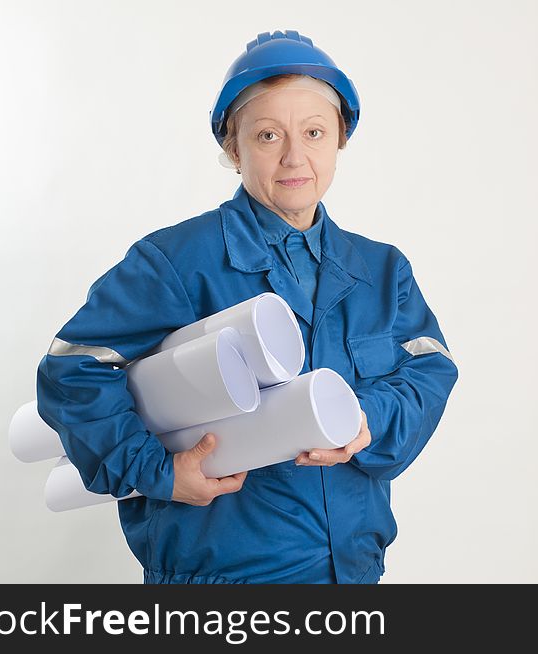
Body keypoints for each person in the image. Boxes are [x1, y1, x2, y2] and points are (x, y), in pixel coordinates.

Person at [36, 29, 458, 584]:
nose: (294, 156)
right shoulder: (178, 261)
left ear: (340, 140)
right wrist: (160, 472)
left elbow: (429, 370)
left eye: (313, 132)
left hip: (353, 570)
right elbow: (73, 367)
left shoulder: (382, 271)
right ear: (234, 149)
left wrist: (367, 419)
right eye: (266, 135)